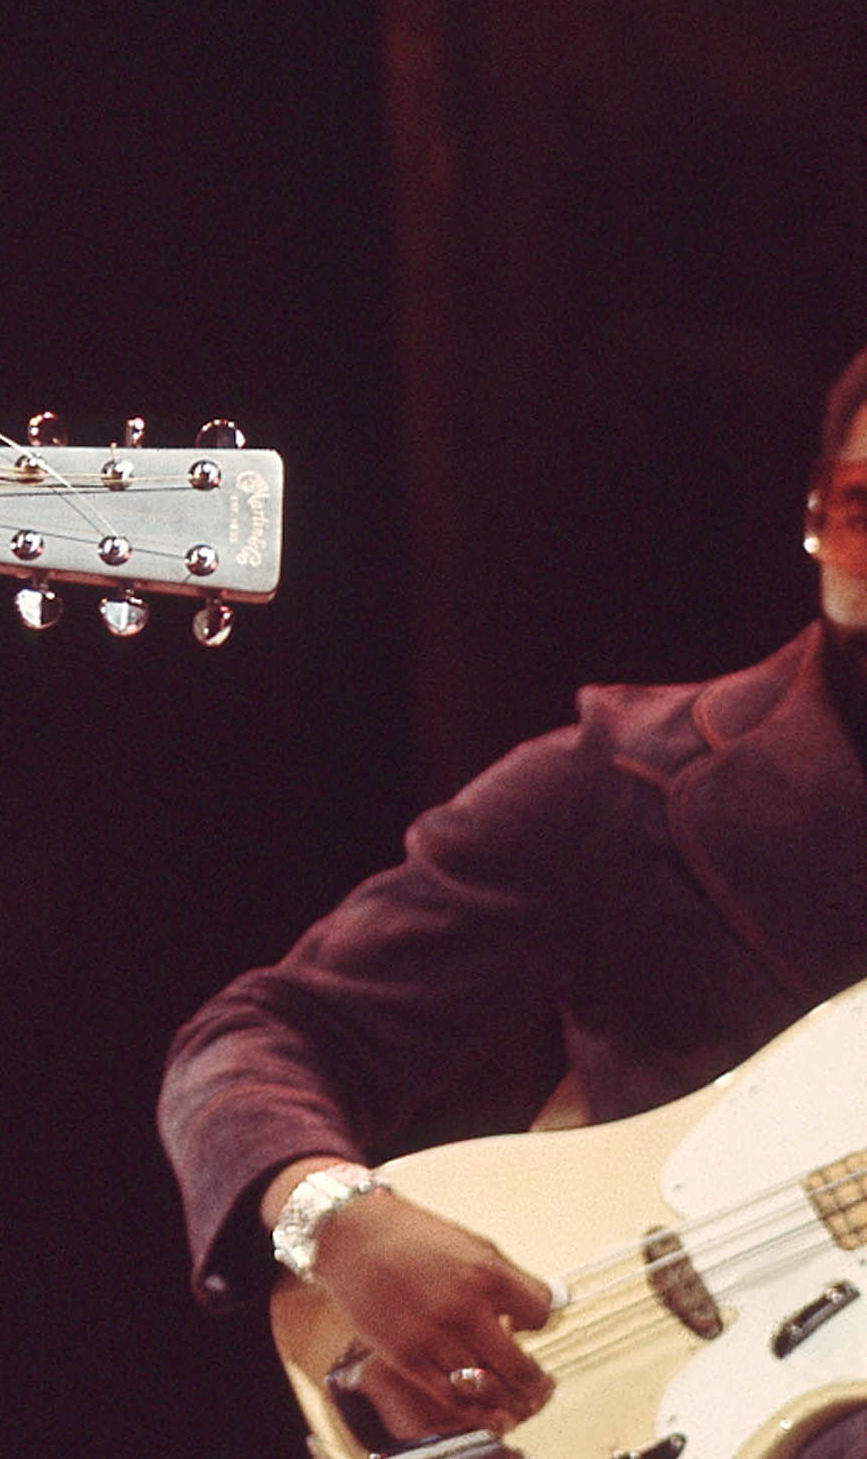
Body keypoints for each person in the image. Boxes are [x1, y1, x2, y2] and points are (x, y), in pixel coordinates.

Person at [158, 345, 867, 1453]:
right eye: (861, 510)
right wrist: (333, 1218)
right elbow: (253, 1039)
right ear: (816, 512)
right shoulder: (620, 780)